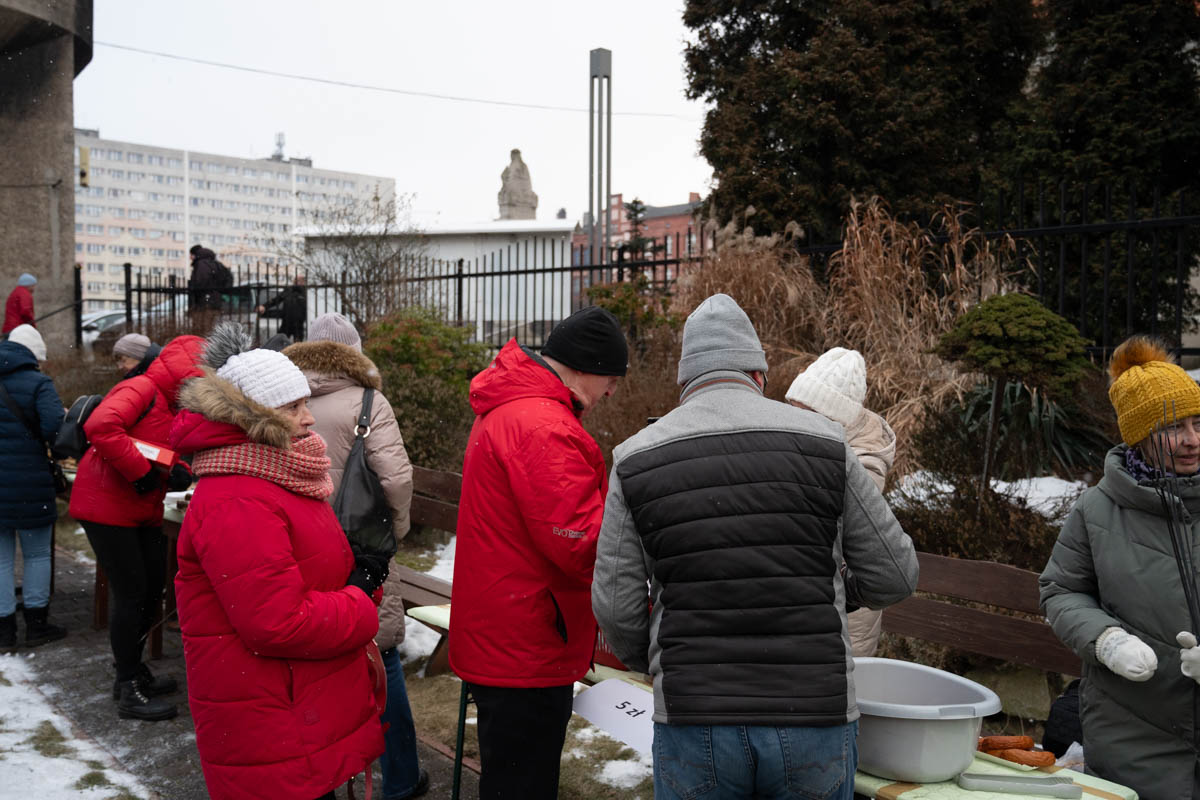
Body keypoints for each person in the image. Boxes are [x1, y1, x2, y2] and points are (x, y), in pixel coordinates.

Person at [592, 294, 919, 800]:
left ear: (684, 381)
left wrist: (653, 661)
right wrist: (838, 590)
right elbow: (895, 575)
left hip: (692, 710)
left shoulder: (635, 459)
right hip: (814, 712)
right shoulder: (829, 444)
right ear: (760, 375)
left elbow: (615, 604)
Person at [170, 323, 387, 800]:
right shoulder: (239, 496)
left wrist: (354, 572)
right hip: (273, 718)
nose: (309, 419)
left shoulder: (276, 472)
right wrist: (358, 601)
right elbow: (276, 622)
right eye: (293, 408)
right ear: (254, 418)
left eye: (306, 403)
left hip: (291, 705)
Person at [449, 305, 628, 800]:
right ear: (587, 368)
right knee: (523, 782)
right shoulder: (543, 426)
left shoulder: (517, 410)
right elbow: (580, 543)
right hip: (526, 643)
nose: (612, 391)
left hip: (506, 626)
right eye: (611, 378)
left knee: (511, 775)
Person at [1040, 335, 1200, 800]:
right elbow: (1060, 590)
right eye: (1174, 428)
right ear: (1140, 435)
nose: (1192, 441)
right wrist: (1106, 640)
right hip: (1132, 738)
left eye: (1198, 422)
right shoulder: (1097, 509)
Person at [283, 312, 428, 800]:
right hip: (360, 551)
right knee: (380, 656)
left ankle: (330, 773)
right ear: (354, 353)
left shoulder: (279, 400)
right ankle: (402, 780)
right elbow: (396, 479)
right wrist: (396, 533)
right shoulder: (369, 401)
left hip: (300, 549)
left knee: (316, 661)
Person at [69, 334, 204, 721]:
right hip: (106, 507)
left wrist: (175, 471)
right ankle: (128, 685)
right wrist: (143, 474)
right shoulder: (142, 387)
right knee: (132, 594)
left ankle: (132, 671)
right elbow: (102, 426)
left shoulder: (170, 401)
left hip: (138, 508)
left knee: (150, 590)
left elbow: (152, 444)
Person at [786, 346, 897, 656]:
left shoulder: (865, 465)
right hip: (814, 608)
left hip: (847, 621)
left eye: (801, 411)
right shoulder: (815, 443)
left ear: (829, 416)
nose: (791, 419)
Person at [0, 324, 66, 650]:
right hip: (31, 483)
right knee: (38, 554)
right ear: (32, 356)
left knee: (0, 560)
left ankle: (4, 630)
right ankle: (36, 626)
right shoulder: (39, 383)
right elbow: (57, 430)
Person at [257, 273, 307, 341]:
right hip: (286, 323)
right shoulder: (289, 290)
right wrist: (264, 306)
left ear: (304, 282)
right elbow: (276, 299)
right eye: (296, 280)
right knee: (280, 343)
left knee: (297, 347)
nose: (298, 281)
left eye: (301, 280)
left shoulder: (307, 292)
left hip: (298, 325)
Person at [187, 245, 228, 315]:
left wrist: (194, 289)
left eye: (191, 255)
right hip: (215, 301)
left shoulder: (201, 264)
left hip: (205, 303)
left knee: (203, 323)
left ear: (195, 254)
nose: (190, 257)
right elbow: (227, 278)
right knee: (213, 323)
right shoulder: (215, 263)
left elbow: (200, 282)